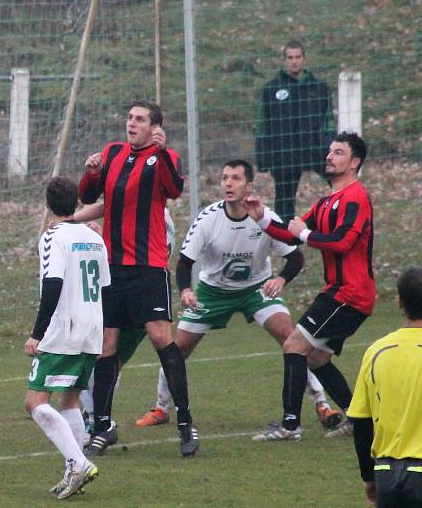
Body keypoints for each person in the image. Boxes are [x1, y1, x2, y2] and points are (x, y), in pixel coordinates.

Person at [133, 159, 342, 431]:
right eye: (225, 178)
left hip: (256, 289)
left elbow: (295, 258)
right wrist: (185, 290)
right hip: (213, 292)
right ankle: (161, 408)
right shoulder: (208, 219)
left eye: (235, 178)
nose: (228, 184)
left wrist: (280, 279)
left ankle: (321, 404)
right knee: (177, 348)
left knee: (292, 339)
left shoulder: (264, 217)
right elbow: (184, 262)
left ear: (249, 185)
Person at [77, 100, 198, 458]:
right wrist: (90, 171)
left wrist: (160, 154)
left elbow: (174, 190)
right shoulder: (112, 153)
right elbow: (87, 195)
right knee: (106, 345)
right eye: (129, 117)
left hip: (148, 265)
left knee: (161, 337)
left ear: (155, 126)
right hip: (112, 266)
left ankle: (185, 423)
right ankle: (102, 426)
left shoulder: (166, 157)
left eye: (140, 119)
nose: (132, 123)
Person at [244, 131, 374, 441]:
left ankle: (290, 426)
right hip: (341, 292)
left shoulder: (356, 197)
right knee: (316, 358)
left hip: (350, 294)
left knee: (294, 345)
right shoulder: (328, 200)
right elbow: (291, 233)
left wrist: (303, 234)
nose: (330, 157)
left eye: (338, 152)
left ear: (354, 162)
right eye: (330, 151)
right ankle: (358, 420)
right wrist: (261, 218)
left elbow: (342, 242)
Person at [24, 177, 109, 499]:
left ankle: (78, 462)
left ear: (48, 205)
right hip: (92, 328)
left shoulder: (52, 237)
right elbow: (107, 288)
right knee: (70, 399)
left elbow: (53, 285)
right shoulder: (93, 237)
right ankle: (74, 468)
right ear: (77, 203)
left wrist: (37, 334)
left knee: (34, 401)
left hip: (64, 329)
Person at [348, 268, 422, 508]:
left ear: (399, 302)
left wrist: (368, 477)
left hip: (386, 473)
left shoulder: (376, 351)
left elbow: (360, 421)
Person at [255, 40, 334, 222]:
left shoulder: (319, 87)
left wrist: (330, 146)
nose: (294, 61)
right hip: (285, 153)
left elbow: (328, 120)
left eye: (298, 57)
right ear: (284, 60)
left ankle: (340, 225)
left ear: (304, 59)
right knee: (284, 201)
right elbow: (262, 124)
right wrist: (263, 159)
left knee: (339, 186)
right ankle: (285, 242)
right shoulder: (272, 88)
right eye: (290, 57)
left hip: (315, 149)